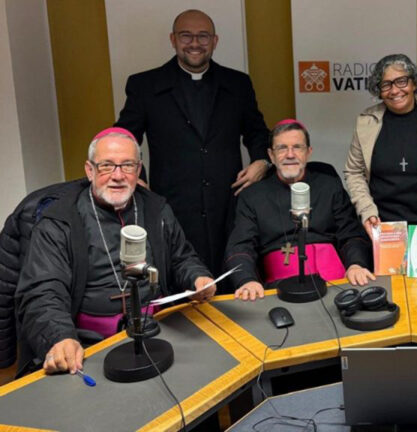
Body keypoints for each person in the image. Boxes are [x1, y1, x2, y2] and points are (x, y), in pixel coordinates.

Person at [14, 127, 215, 375]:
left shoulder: (157, 209)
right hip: (89, 345)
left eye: (127, 165)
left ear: (138, 170)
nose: (118, 176)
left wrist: (197, 277)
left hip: (156, 332)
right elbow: (43, 291)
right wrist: (60, 337)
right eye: (106, 166)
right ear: (90, 170)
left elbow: (181, 257)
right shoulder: (59, 221)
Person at [115, 9, 270, 277]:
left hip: (227, 202)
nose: (195, 43)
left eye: (203, 36)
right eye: (186, 36)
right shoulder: (145, 85)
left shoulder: (238, 84)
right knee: (181, 277)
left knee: (232, 276)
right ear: (173, 39)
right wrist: (135, 177)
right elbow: (124, 137)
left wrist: (262, 161)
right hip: (173, 203)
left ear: (215, 41)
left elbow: (257, 132)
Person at [225, 120, 374, 299]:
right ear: (271, 155)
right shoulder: (252, 196)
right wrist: (246, 280)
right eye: (282, 148)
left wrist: (356, 264)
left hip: (336, 281)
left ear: (308, 152)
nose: (290, 155)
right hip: (279, 288)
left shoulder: (329, 185)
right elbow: (240, 246)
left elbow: (351, 233)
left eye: (297, 147)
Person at [344, 54, 417, 242]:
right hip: (380, 229)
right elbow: (354, 172)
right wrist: (367, 210)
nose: (394, 90)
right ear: (379, 90)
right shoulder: (365, 124)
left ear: (414, 83)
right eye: (386, 85)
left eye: (401, 81)